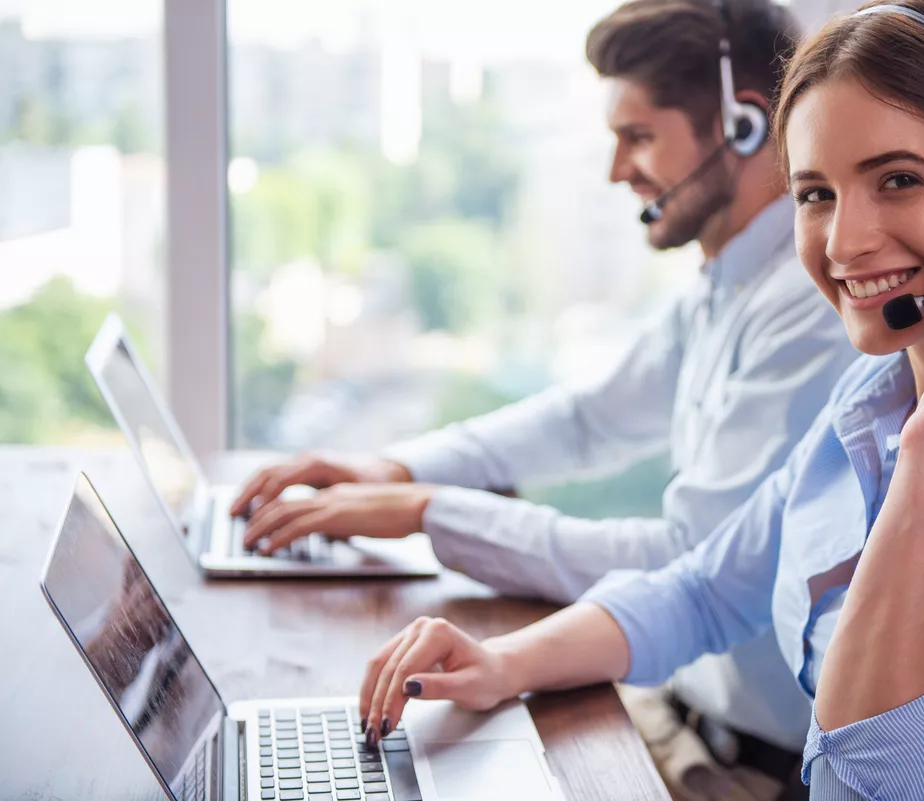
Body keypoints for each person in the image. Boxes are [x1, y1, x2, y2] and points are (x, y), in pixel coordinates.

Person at [351, 0, 924, 798]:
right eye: (815, 194)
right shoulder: (869, 401)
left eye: (898, 179)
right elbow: (705, 588)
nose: (844, 242)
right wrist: (503, 662)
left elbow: (874, 782)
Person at [233, 1, 858, 797]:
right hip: (673, 713)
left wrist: (431, 511)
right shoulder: (727, 282)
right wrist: (390, 467)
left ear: (743, 127)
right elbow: (586, 418)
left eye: (638, 136)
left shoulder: (811, 313)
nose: (615, 169)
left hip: (753, 768)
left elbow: (684, 559)